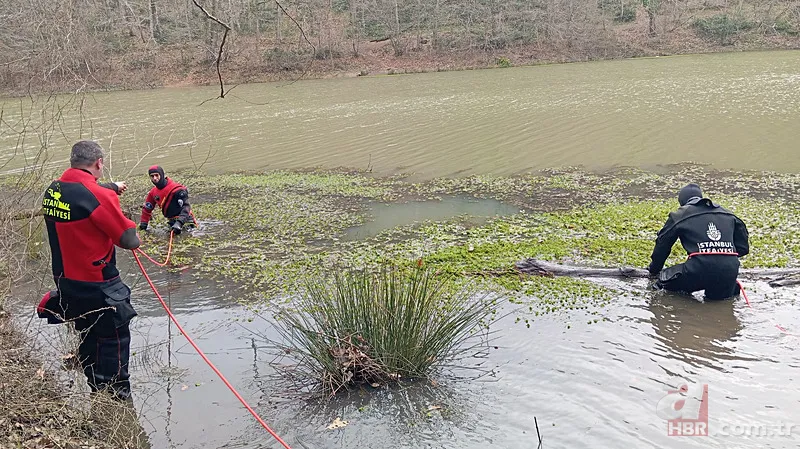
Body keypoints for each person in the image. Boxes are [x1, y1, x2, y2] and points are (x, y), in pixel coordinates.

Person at [38, 140, 141, 400]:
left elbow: (81, 194)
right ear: (99, 163)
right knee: (113, 342)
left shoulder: (54, 191)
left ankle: (95, 389)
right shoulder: (99, 196)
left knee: (89, 337)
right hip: (98, 285)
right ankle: (116, 404)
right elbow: (129, 240)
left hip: (67, 285)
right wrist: (123, 215)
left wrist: (112, 188)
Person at [648, 183, 750, 300]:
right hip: (729, 271)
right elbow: (743, 248)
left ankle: (684, 312)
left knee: (662, 282)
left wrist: (654, 270)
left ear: (682, 201)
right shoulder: (728, 214)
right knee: (719, 303)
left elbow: (662, 244)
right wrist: (721, 257)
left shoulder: (680, 215)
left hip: (698, 269)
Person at [138, 165, 193, 235]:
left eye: (156, 175)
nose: (154, 178)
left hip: (186, 221)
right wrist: (144, 223)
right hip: (171, 222)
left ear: (161, 175)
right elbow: (147, 209)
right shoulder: (153, 193)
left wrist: (179, 223)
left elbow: (186, 207)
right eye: (152, 176)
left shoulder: (177, 189)